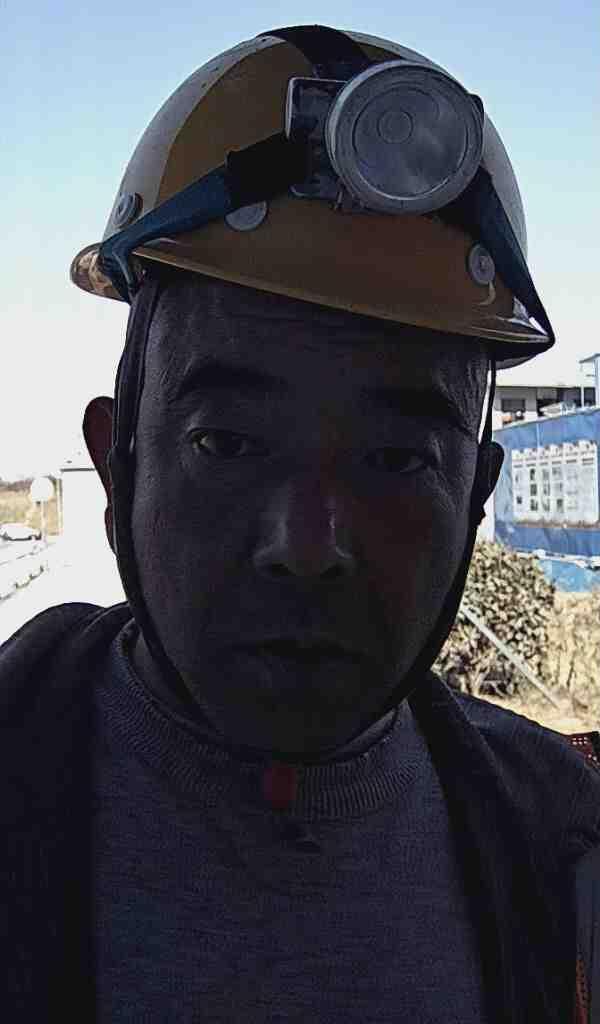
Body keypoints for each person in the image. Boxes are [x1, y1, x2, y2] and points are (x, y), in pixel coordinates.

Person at [2, 24, 599, 1023]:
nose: (311, 545)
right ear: (118, 463)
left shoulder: (564, 849)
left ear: (475, 496)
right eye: (227, 443)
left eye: (397, 459)